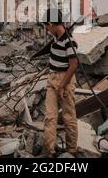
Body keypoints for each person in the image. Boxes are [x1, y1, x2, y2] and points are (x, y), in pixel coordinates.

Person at [42, 9, 79, 157]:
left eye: (46, 26)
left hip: (65, 80)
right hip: (52, 79)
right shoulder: (57, 38)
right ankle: (50, 152)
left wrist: (62, 85)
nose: (47, 29)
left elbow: (74, 64)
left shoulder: (69, 41)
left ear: (50, 24)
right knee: (50, 116)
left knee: (68, 116)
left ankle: (71, 151)